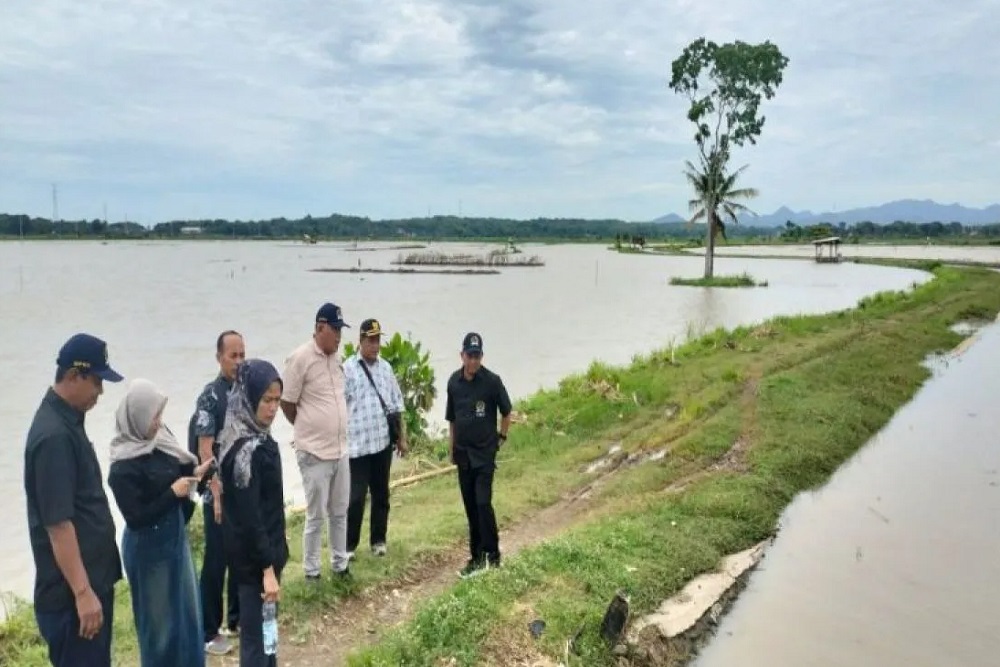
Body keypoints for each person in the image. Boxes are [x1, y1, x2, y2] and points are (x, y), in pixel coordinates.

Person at [24, 333, 124, 667]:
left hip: (89, 587)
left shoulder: (69, 421)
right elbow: (58, 524)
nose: (100, 392)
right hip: (71, 599)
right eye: (96, 381)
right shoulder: (53, 436)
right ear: (72, 376)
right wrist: (83, 593)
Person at [108, 379, 214, 667]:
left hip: (174, 539)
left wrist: (196, 471)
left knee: (189, 615)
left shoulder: (160, 441)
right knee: (160, 628)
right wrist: (172, 494)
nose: (158, 423)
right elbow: (136, 518)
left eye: (159, 415)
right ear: (137, 418)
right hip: (148, 549)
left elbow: (180, 470)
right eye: (153, 417)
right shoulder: (122, 467)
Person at [218, 359, 289, 667]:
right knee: (256, 645)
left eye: (277, 400)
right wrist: (268, 570)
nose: (273, 409)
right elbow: (250, 519)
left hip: (267, 557)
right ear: (249, 399)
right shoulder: (245, 452)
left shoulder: (259, 437)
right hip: (255, 566)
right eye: (266, 400)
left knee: (268, 636)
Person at [280, 303, 351, 580]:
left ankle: (340, 564)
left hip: (340, 449)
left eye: (340, 330)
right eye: (334, 329)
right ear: (320, 327)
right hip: (314, 451)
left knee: (340, 511)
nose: (338, 336)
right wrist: (309, 427)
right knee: (315, 515)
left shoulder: (337, 357)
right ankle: (311, 572)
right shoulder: (300, 358)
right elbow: (287, 403)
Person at [188, 330, 245, 655]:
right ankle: (209, 630)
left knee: (240, 554)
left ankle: (236, 620)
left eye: (241, 355)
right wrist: (217, 492)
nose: (238, 362)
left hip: (242, 489)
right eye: (232, 356)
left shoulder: (245, 390)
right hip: (218, 493)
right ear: (219, 358)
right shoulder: (210, 396)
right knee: (216, 560)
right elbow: (205, 449)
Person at [445, 332, 512, 578]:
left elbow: (507, 412)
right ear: (462, 355)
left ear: (481, 356)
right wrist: (451, 448)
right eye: (469, 356)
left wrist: (501, 438)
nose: (473, 361)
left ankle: (493, 556)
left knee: (483, 503)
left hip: (484, 455)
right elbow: (452, 419)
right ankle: (476, 557)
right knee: (471, 507)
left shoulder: (492, 382)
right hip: (463, 456)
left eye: (477, 356)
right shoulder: (454, 383)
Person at [343, 318, 407, 559]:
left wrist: (401, 437)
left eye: (378, 340)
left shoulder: (386, 368)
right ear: (360, 341)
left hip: (381, 443)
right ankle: (349, 547)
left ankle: (378, 541)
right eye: (370, 340)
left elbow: (396, 404)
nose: (375, 345)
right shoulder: (347, 369)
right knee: (356, 498)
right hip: (357, 447)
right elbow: (339, 407)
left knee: (381, 494)